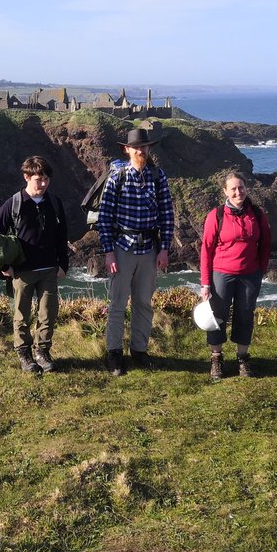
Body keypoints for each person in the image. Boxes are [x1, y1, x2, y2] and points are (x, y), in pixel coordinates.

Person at [96, 127, 175, 375]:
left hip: (149, 250)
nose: (141, 150)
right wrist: (108, 252)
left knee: (143, 302)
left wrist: (164, 249)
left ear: (148, 148)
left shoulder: (157, 175)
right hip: (122, 248)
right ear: (127, 149)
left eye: (144, 146)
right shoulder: (117, 176)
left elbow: (167, 214)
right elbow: (105, 216)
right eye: (136, 147)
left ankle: (139, 352)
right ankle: (114, 353)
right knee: (117, 303)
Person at [0, 156, 70, 373]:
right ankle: (24, 354)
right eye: (38, 179)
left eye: (46, 179)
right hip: (23, 271)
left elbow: (62, 235)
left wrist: (63, 264)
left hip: (49, 270)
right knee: (21, 315)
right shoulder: (13, 204)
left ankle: (42, 352)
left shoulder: (54, 202)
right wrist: (5, 266)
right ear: (27, 177)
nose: (43, 184)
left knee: (48, 314)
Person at [199, 170, 272, 379]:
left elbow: (266, 243)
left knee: (245, 314)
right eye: (233, 189)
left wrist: (261, 269)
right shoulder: (217, 215)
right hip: (221, 273)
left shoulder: (257, 213)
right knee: (217, 315)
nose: (238, 192)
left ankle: (243, 358)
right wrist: (205, 282)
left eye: (241, 187)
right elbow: (206, 249)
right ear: (225, 191)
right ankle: (216, 358)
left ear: (246, 188)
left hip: (250, 274)